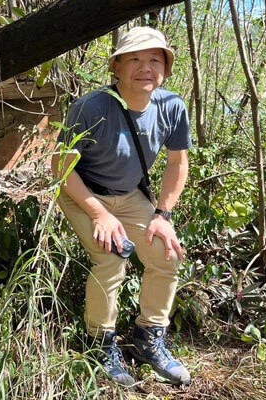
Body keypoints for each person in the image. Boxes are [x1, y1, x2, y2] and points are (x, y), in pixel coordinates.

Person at [51, 26, 192, 387]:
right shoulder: (91, 106)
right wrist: (99, 213)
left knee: (167, 254)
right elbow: (61, 166)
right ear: (116, 67)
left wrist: (163, 216)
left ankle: (149, 340)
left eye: (154, 60)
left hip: (129, 195)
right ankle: (101, 342)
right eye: (135, 59)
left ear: (165, 69)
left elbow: (178, 164)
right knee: (112, 255)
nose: (146, 68)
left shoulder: (171, 106)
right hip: (84, 191)